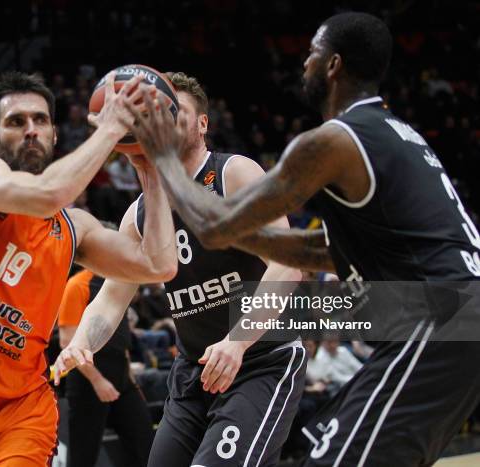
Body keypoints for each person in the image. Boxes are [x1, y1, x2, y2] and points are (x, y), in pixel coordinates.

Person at [124, 12, 480, 467]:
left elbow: (213, 226)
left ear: (333, 65)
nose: (304, 65)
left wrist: (159, 155)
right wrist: (255, 245)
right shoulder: (396, 131)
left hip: (436, 317)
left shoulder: (331, 142)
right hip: (447, 313)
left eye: (312, 54)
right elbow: (322, 252)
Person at [0, 71, 177, 466]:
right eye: (16, 122)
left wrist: (150, 168)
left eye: (40, 120)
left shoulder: (75, 228)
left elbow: (159, 264)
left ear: (54, 135)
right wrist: (112, 129)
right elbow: (46, 194)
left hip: (21, 412)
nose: (31, 130)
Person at [54, 72, 305, 467]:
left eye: (175, 111)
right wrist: (81, 342)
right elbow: (111, 298)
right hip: (192, 372)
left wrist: (238, 342)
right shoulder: (138, 213)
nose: (162, 121)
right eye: (153, 112)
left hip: (261, 360)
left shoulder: (234, 173)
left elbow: (288, 266)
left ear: (203, 123)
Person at [59, 267, 153, 467]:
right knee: (83, 455)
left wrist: (131, 381)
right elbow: (67, 342)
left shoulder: (119, 280)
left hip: (122, 378)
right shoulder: (78, 284)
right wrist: (97, 380)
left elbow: (122, 339)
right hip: (88, 381)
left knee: (143, 439)